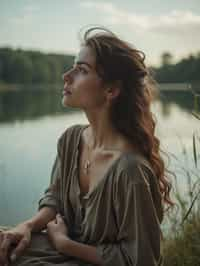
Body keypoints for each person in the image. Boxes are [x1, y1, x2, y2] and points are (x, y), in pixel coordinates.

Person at [0, 26, 173, 266]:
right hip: (57, 251)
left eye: (81, 70)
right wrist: (27, 226)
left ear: (111, 90)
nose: (66, 76)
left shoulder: (131, 172)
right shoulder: (71, 140)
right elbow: (55, 199)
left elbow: (141, 260)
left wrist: (66, 244)